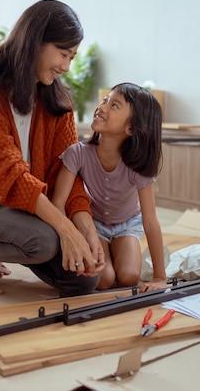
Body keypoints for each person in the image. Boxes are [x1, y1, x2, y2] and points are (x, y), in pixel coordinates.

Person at [0, 0, 105, 298]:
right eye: (63, 54)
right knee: (46, 240)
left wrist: (85, 229)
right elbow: (7, 177)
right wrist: (65, 229)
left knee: (82, 281)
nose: (66, 66)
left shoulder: (58, 105)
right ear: (35, 42)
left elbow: (68, 173)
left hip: (24, 205)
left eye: (72, 57)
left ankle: (1, 246)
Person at [52, 83, 167, 292]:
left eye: (114, 106)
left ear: (131, 128)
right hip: (95, 224)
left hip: (128, 224)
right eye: (105, 100)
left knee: (129, 277)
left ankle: (119, 251)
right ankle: (110, 252)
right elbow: (58, 203)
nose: (102, 107)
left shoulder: (137, 167)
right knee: (103, 280)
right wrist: (69, 239)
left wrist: (160, 277)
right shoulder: (77, 153)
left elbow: (150, 222)